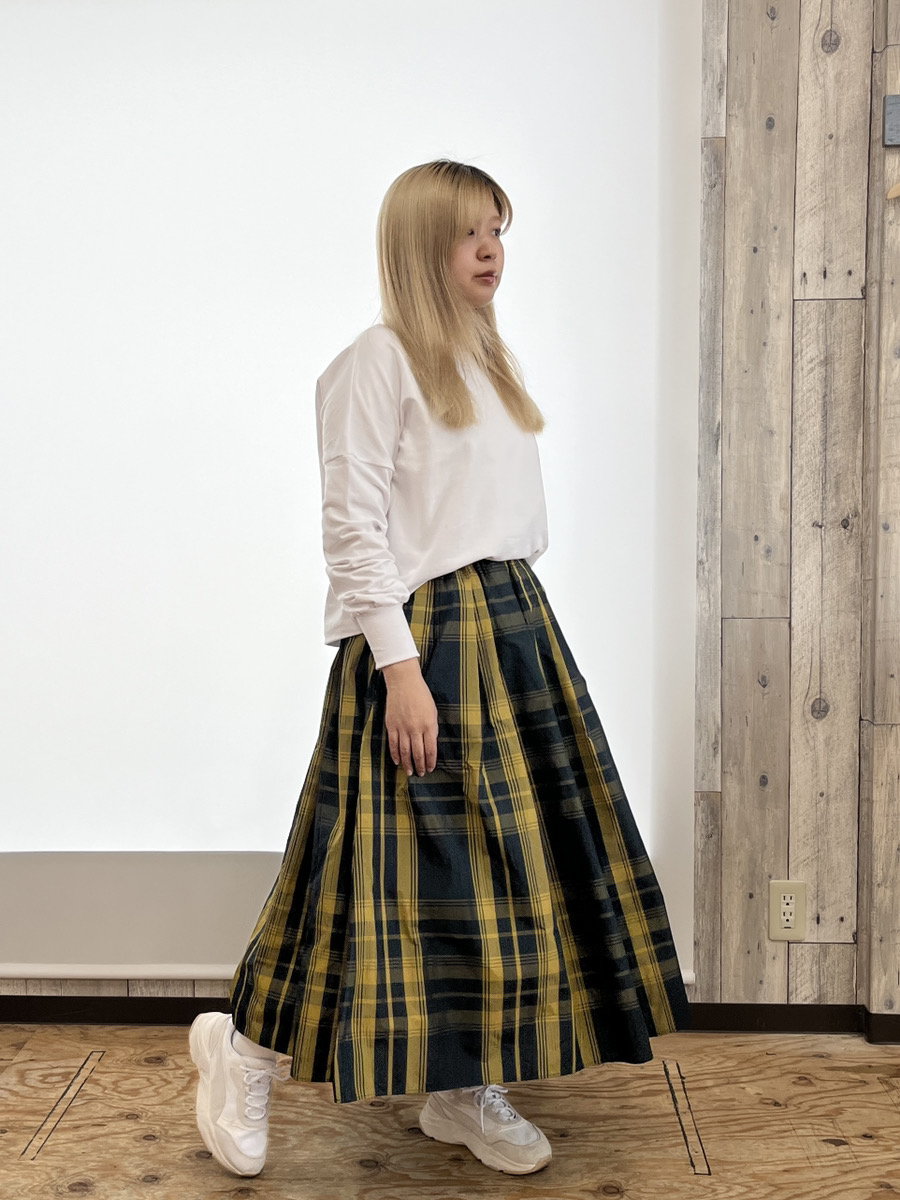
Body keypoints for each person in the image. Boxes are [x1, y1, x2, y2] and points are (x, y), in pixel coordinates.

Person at [189, 158, 690, 1180]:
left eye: (499, 230)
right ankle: (241, 1051)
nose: (492, 250)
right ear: (422, 244)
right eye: (470, 232)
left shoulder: (488, 361)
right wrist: (401, 668)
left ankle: (462, 1088)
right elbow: (352, 528)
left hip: (511, 627)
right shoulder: (376, 362)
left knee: (498, 877)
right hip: (421, 640)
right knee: (355, 871)